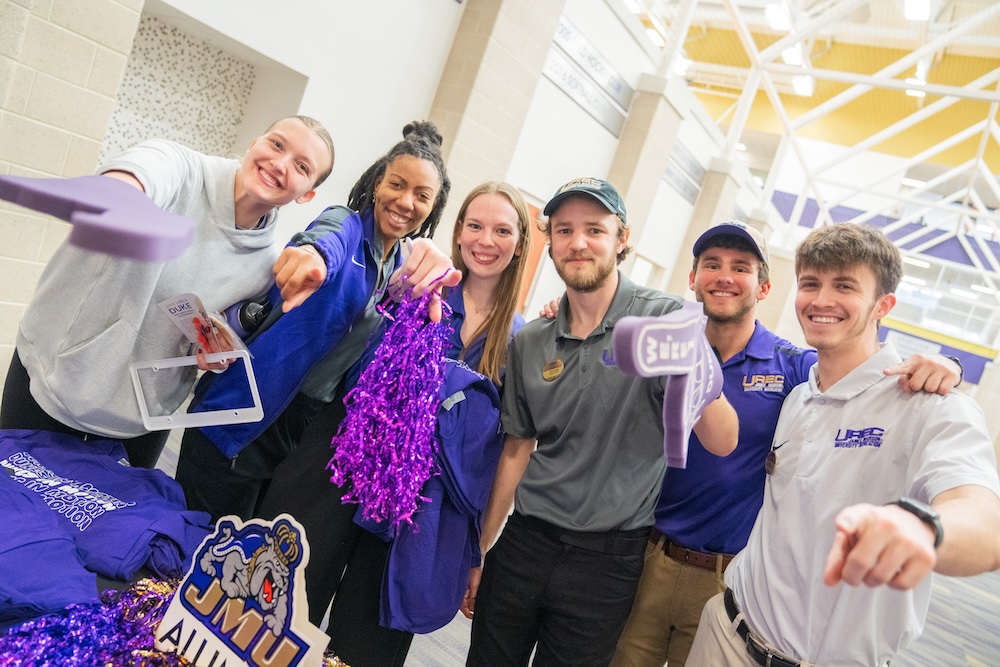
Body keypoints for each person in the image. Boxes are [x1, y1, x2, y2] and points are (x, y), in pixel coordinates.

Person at [610, 220, 964, 667]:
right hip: (652, 556)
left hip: (726, 574)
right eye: (712, 264)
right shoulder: (665, 353)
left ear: (763, 288)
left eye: (741, 267)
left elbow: (852, 370)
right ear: (692, 278)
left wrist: (947, 365)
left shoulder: (793, 369)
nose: (724, 276)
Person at [254, 180, 533, 667]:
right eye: (475, 225)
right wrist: (407, 285)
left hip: (422, 514)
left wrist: (479, 548)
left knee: (367, 646)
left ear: (521, 243)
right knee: (288, 612)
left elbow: (511, 451)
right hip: (352, 477)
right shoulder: (424, 287)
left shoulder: (522, 342)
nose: (485, 241)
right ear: (458, 231)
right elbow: (361, 366)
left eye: (502, 230)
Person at [463, 178, 739, 666]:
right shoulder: (532, 340)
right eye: (564, 230)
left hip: (607, 562)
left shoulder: (663, 318)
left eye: (594, 229)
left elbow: (722, 441)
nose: (578, 243)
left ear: (622, 238)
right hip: (523, 542)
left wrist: (695, 371)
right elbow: (516, 450)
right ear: (551, 242)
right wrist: (480, 550)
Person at [1, 116, 335, 468]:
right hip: (54, 379)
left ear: (307, 194)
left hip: (144, 417)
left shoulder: (266, 267)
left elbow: (207, 335)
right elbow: (144, 169)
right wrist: (120, 194)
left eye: (301, 166)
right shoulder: (181, 170)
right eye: (277, 144)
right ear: (255, 143)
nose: (280, 164)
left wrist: (214, 351)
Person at [174, 120, 458, 522]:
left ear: (434, 206)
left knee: (245, 552)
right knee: (194, 540)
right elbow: (325, 242)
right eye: (397, 184)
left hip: (302, 432)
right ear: (378, 183)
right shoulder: (346, 225)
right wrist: (314, 256)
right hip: (241, 412)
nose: (405, 201)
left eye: (421, 195)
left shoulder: (400, 268)